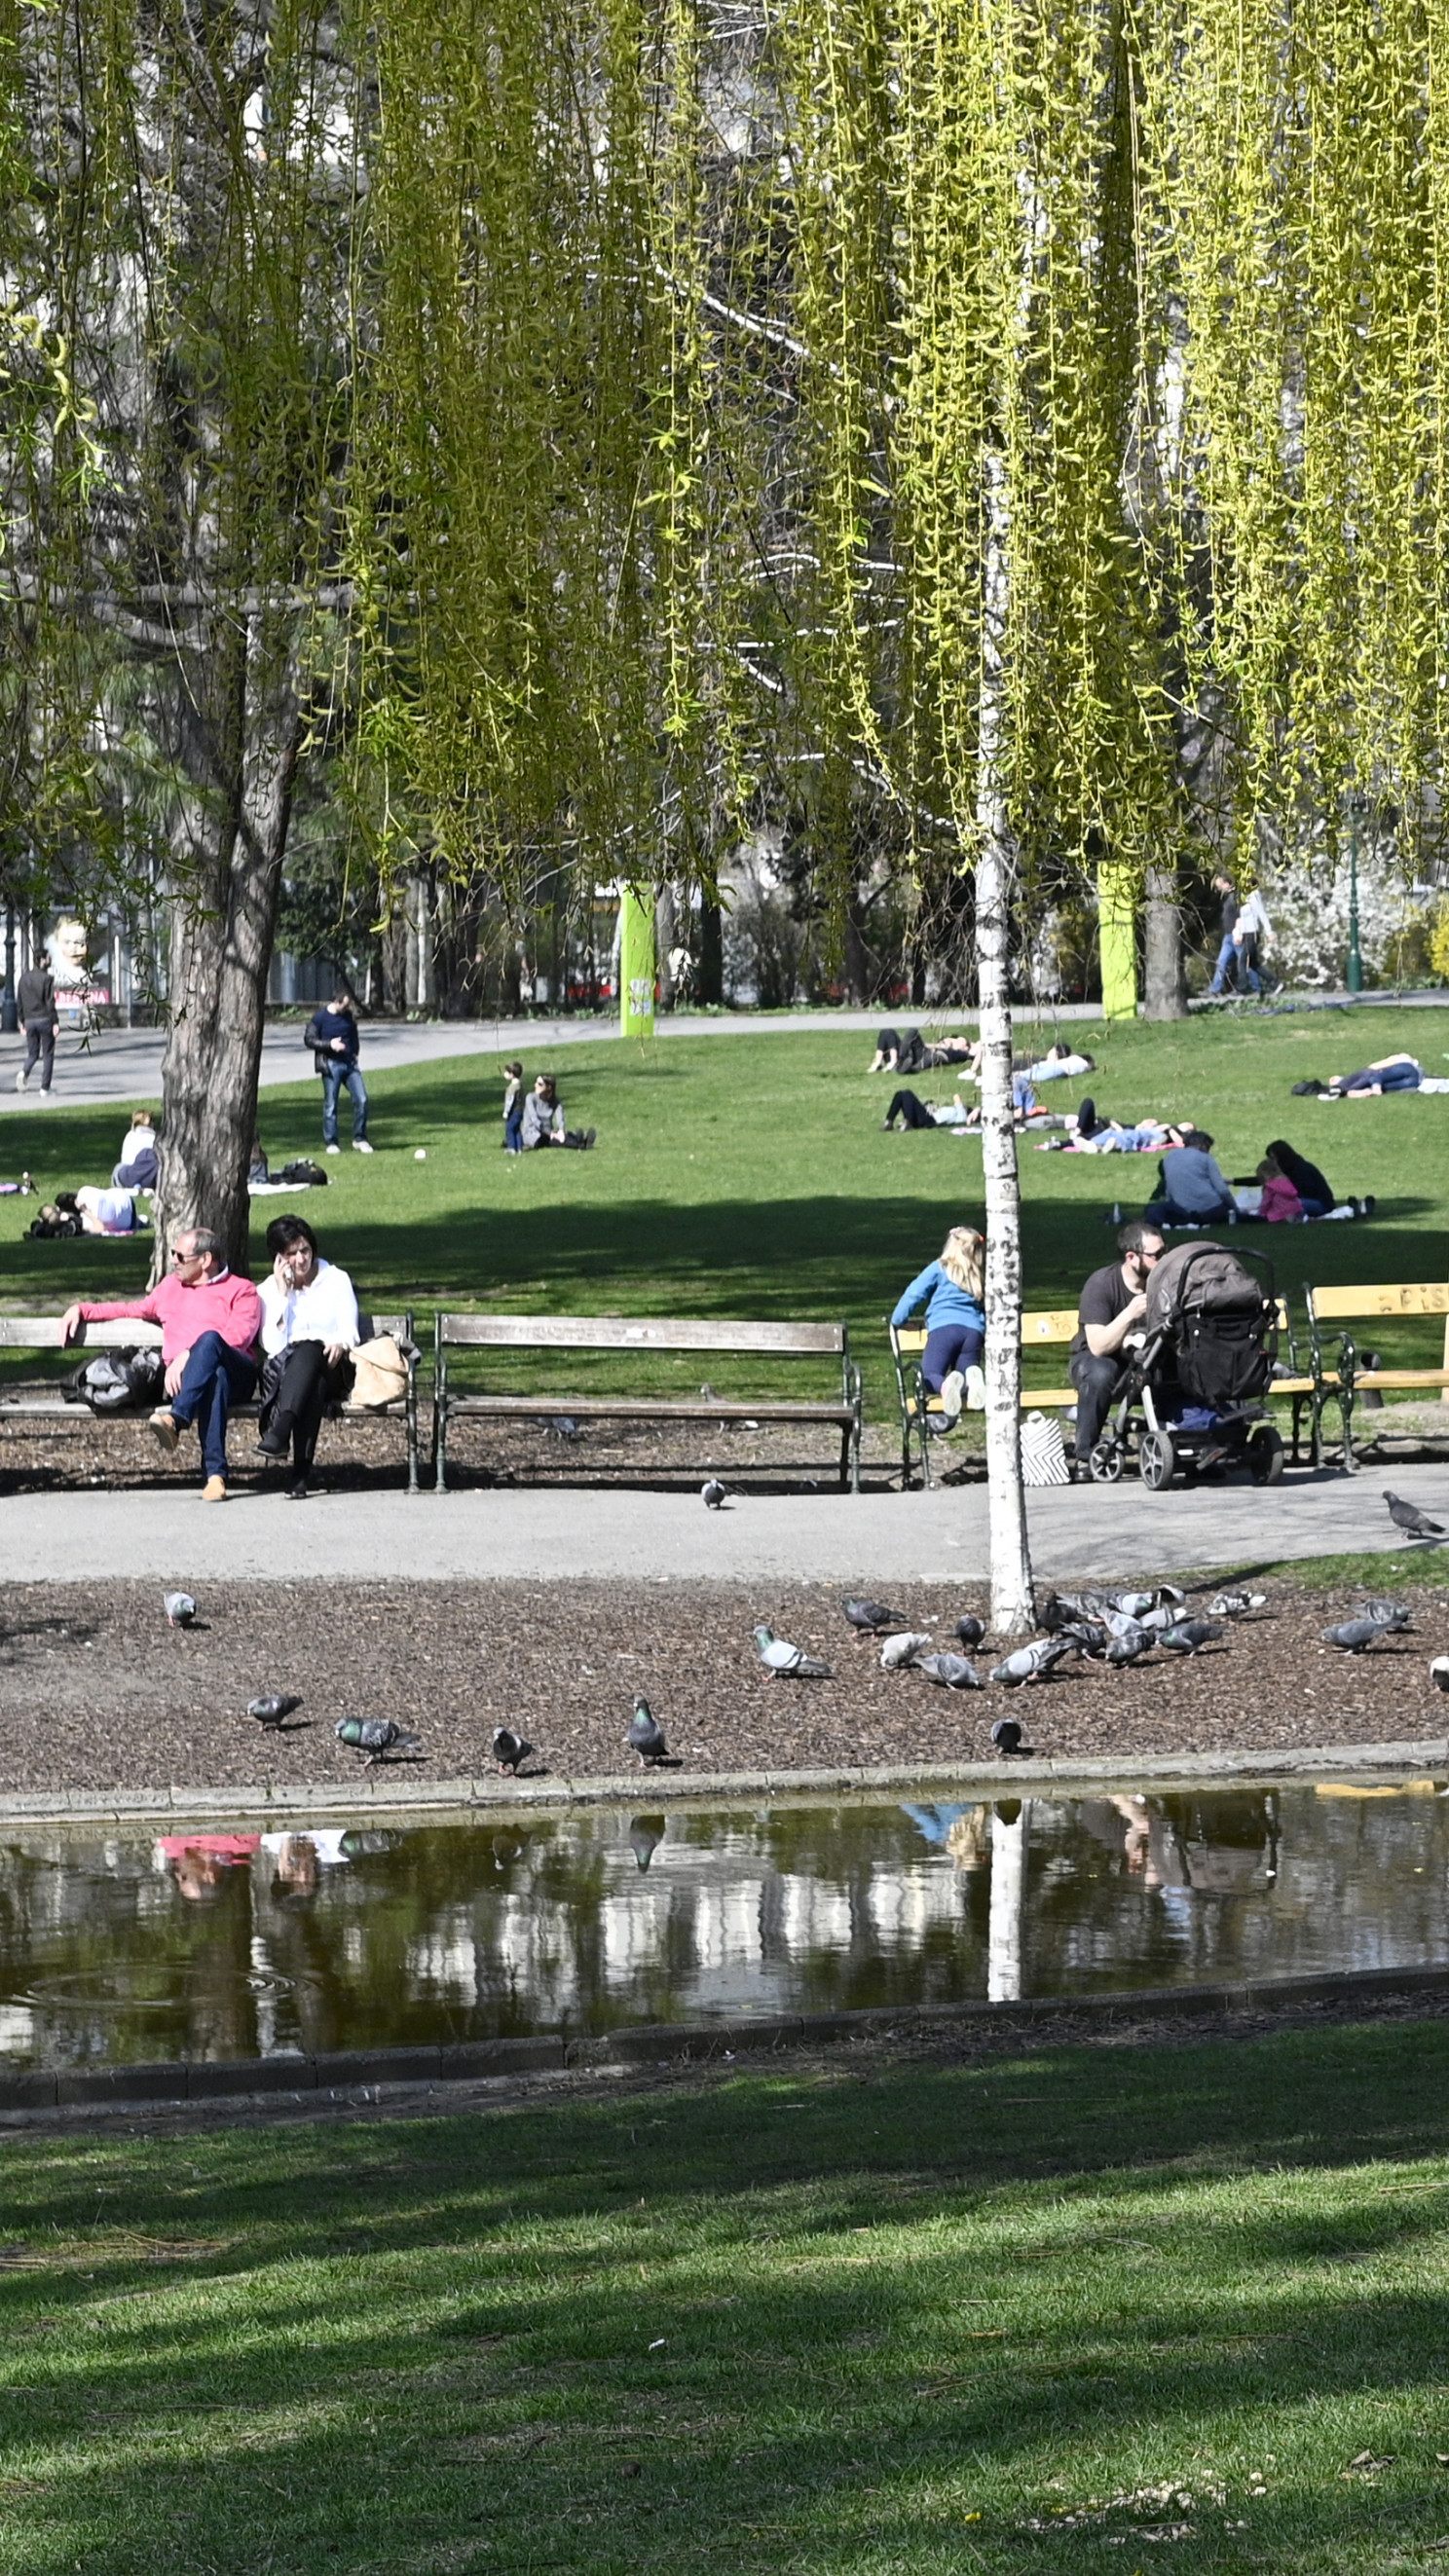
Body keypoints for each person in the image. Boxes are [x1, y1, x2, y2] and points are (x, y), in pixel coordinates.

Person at [59, 1225, 263, 1502]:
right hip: (193, 1381)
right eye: (173, 1254)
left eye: (181, 1256)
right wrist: (82, 1309)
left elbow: (236, 1339)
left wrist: (187, 1355)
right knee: (215, 1378)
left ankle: (176, 1420)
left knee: (212, 1342)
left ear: (205, 1260)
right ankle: (215, 1476)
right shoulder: (170, 1288)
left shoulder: (241, 1290)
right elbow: (130, 1310)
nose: (174, 1261)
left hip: (238, 1371)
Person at [255, 1212, 360, 1499]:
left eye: (305, 1250)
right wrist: (281, 1294)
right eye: (292, 1253)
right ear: (278, 1258)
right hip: (289, 1375)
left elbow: (350, 1331)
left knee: (312, 1348)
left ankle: (280, 1431)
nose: (301, 1259)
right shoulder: (268, 1290)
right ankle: (300, 1475)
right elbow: (273, 1346)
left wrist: (339, 1342)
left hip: (333, 1365)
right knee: (311, 1380)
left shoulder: (336, 1279)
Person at [1069, 1221, 1165, 1469]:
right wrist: (1130, 1314)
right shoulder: (1101, 1284)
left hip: (1148, 1358)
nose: (1162, 1260)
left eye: (1164, 1252)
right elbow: (1098, 1346)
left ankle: (1192, 1443)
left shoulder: (1164, 1282)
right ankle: (1086, 1454)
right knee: (1100, 1373)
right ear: (1131, 1257)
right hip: (1095, 1360)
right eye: (1156, 1255)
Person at [890, 1225, 987, 1425]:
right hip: (974, 1333)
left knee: (929, 1376)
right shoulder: (978, 1275)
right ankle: (972, 1378)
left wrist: (897, 1320)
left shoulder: (940, 1268)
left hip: (944, 1329)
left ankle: (945, 1387)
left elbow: (914, 1294)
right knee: (963, 1376)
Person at [304, 985, 372, 1154]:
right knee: (331, 1104)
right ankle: (331, 1142)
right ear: (336, 1002)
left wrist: (355, 1053)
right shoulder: (320, 1018)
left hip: (350, 1065)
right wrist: (329, 1045)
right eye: (345, 1005)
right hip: (331, 1064)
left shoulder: (348, 1016)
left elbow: (354, 1036)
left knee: (362, 1099)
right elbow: (309, 1039)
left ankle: (359, 1138)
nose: (347, 1008)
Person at [1143, 1126, 1235, 1226]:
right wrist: (1235, 1208)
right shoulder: (1206, 1158)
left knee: (1158, 1208)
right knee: (1224, 1209)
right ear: (1203, 1145)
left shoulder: (1170, 1156)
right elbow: (1222, 1190)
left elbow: (1169, 1190)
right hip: (1209, 1209)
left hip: (1180, 1209)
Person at [15, 957, 57, 1096]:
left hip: (29, 1021)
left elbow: (19, 1001)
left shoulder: (23, 979)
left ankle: (24, 1072)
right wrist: (55, 1022)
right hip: (44, 1019)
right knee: (48, 1054)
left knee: (32, 1053)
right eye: (47, 958)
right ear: (41, 960)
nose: (49, 960)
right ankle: (45, 1088)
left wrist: (22, 1021)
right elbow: (50, 1002)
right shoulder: (47, 978)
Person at [520, 1073, 595, 1151]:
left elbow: (560, 1118)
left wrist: (561, 1130)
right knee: (552, 1140)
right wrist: (551, 1133)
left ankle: (583, 1142)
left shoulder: (555, 1101)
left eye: (539, 1084)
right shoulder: (530, 1098)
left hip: (548, 1132)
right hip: (533, 1134)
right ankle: (579, 1144)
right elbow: (535, 1120)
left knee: (562, 1136)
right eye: (536, 1082)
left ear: (548, 1087)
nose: (535, 1085)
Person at [1264, 1138, 1334, 1218]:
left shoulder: (1300, 1169)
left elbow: (1307, 1191)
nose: (1271, 1162)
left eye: (1273, 1158)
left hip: (1321, 1204)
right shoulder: (1289, 1169)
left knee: (1291, 1204)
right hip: (1307, 1201)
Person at [1324, 1052, 1422, 1096]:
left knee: (1371, 1075)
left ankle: (1342, 1089)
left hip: (1409, 1072)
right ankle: (1345, 1089)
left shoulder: (1400, 1060)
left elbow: (1374, 1075)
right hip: (1415, 1080)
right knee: (1380, 1083)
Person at [1208, 875, 1242, 996]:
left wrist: (1238, 933)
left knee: (1246, 963)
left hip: (1236, 934)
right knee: (1221, 962)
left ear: (1227, 883)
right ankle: (1215, 989)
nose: (1219, 889)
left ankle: (1253, 986)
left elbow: (1239, 916)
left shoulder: (1235, 897)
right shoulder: (1228, 898)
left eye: (1220, 885)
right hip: (1228, 936)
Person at [112, 1110, 159, 1192]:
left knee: (118, 1168)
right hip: (145, 1174)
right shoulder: (153, 1138)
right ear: (150, 1123)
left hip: (127, 1173)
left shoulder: (129, 1135)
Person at [502, 1060, 525, 1155]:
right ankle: (519, 1148)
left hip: (514, 1111)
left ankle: (511, 1148)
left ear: (512, 1074)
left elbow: (509, 1101)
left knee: (510, 1128)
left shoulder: (512, 1087)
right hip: (520, 1111)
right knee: (517, 1129)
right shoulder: (520, 1085)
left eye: (507, 1072)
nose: (505, 1074)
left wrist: (506, 1112)